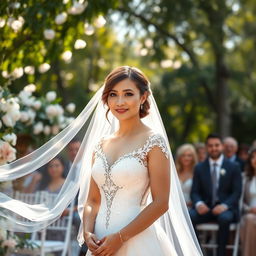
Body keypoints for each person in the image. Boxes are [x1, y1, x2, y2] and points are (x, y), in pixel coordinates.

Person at [0, 66, 202, 256]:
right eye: (113, 94)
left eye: (128, 94)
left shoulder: (154, 142)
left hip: (138, 240)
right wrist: (87, 231)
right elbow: (93, 201)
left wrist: (121, 237)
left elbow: (160, 203)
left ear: (144, 97)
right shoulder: (101, 144)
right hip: (99, 243)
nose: (119, 102)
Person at [189, 133, 242, 256]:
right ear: (207, 147)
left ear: (222, 146)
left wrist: (224, 206)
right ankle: (197, 252)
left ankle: (221, 254)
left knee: (225, 218)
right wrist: (199, 204)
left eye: (217, 145)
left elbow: (236, 192)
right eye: (211, 146)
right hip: (206, 208)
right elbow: (194, 192)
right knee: (190, 216)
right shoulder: (199, 168)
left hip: (226, 209)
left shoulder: (234, 167)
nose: (214, 148)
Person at [240, 148, 256, 256]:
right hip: (250, 213)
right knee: (249, 219)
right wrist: (248, 209)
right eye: (253, 157)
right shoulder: (245, 178)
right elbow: (239, 201)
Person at [176, 144, 198, 208]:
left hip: (192, 207)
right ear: (179, 157)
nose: (186, 158)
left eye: (189, 155)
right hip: (175, 206)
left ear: (193, 157)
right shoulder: (175, 173)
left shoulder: (197, 172)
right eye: (183, 155)